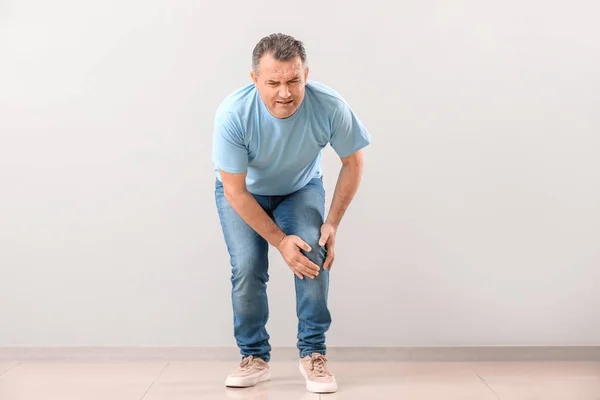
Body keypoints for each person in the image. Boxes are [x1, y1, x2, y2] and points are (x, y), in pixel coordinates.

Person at [212, 32, 371, 394]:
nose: (284, 92)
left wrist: (331, 223)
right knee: (248, 268)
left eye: (293, 81)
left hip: (300, 188)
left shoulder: (329, 106)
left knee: (313, 251)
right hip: (244, 193)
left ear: (305, 74)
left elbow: (353, 163)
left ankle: (313, 352)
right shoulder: (233, 114)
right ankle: (254, 356)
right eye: (273, 82)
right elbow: (234, 191)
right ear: (255, 80)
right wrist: (280, 241)